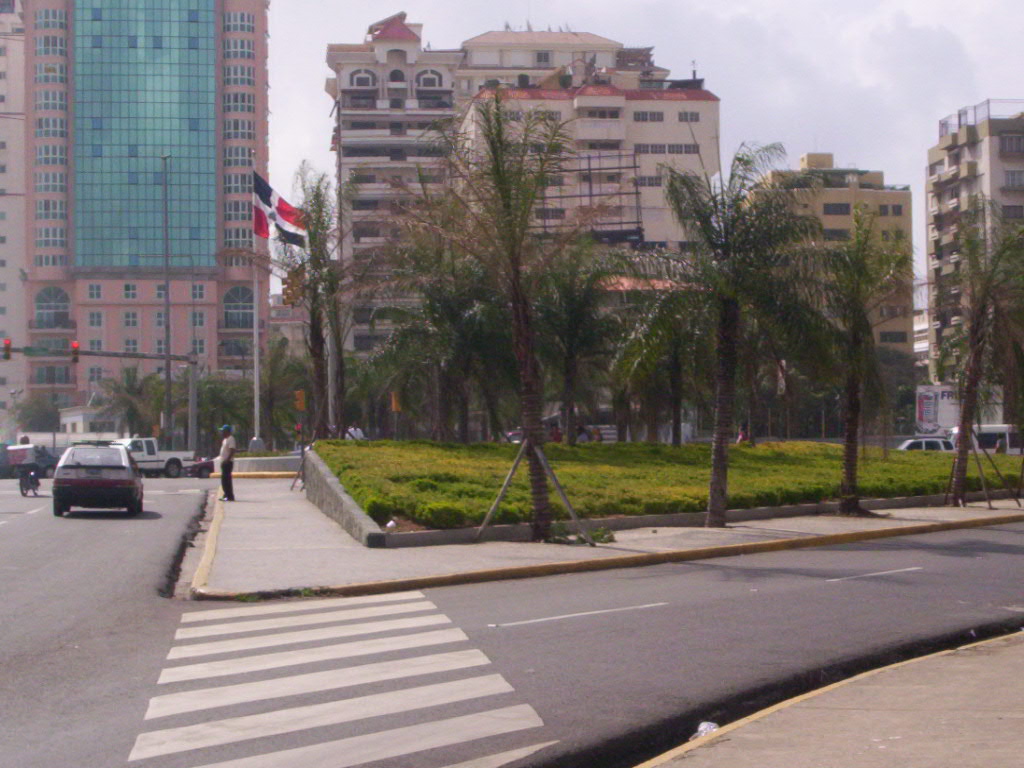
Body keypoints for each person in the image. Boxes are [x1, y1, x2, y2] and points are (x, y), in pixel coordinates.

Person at [218, 424, 236, 502]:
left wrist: (227, 460)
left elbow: (232, 450)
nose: (222, 432)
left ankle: (229, 496)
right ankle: (226, 495)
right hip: (224, 462)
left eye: (223, 431)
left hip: (227, 463)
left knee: (226, 480)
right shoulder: (225, 440)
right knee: (224, 480)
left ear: (227, 431)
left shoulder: (230, 439)